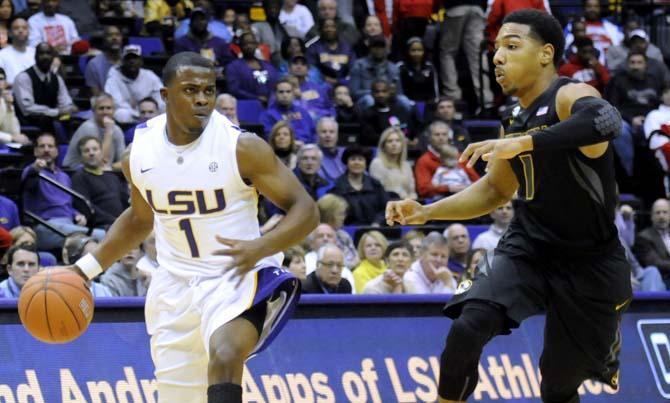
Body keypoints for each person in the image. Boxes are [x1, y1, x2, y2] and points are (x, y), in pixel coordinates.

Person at [386, 10, 631, 402]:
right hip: (528, 247)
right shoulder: (513, 118)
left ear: (546, 54)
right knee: (468, 326)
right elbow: (493, 192)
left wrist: (525, 143)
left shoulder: (569, 96)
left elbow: (606, 121)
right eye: (496, 48)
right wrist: (427, 211)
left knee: (557, 385)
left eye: (511, 46)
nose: (497, 57)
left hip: (590, 263)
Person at [63, 52, 319, 403]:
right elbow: (140, 219)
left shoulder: (241, 147)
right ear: (166, 96)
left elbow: (306, 210)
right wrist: (84, 270)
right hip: (175, 285)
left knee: (226, 354)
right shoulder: (139, 154)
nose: (202, 99)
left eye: (209, 90)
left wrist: (261, 247)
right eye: (190, 90)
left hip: (235, 276)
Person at [369, 126, 416, 199]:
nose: (394, 144)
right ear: (383, 146)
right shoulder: (377, 164)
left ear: (402, 144)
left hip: (406, 205)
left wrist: (412, 197)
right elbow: (379, 192)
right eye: (389, 141)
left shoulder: (406, 165)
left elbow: (412, 191)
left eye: (398, 140)